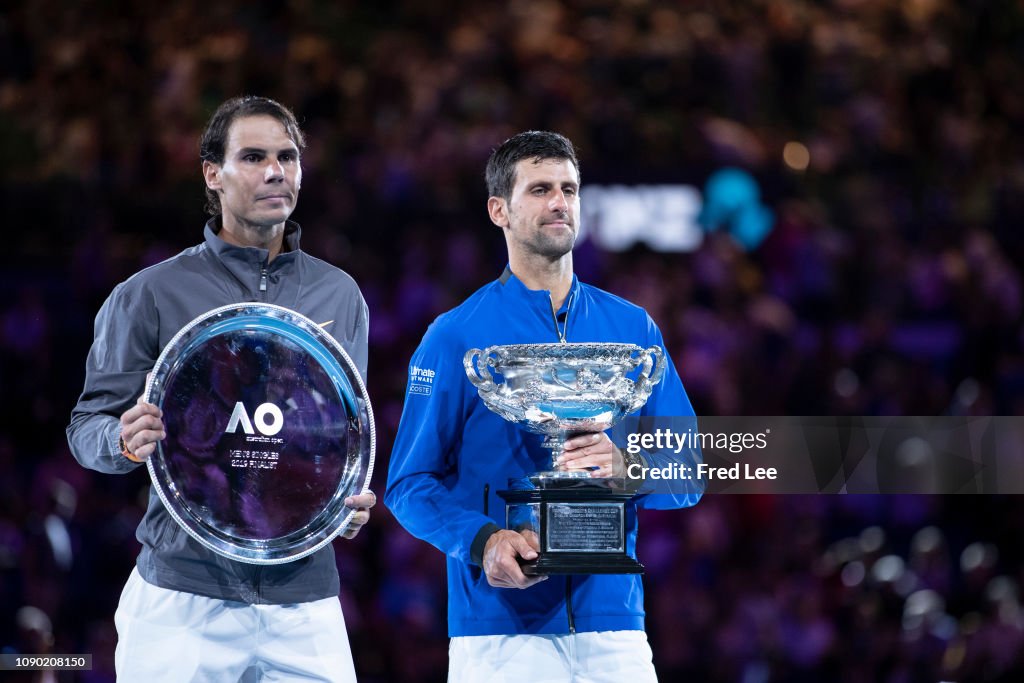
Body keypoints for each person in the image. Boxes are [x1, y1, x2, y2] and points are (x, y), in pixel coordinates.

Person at [67, 96, 375, 682]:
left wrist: (343, 503)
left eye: (287, 156)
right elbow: (87, 428)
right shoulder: (150, 294)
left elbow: (336, 440)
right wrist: (123, 440)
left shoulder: (340, 296)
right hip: (183, 595)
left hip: (303, 599)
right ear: (213, 173)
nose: (275, 171)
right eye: (254, 157)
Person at [385, 131, 702, 681]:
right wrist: (484, 542)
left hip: (615, 630)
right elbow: (408, 485)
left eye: (569, 189)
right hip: (500, 631)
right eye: (540, 189)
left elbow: (690, 470)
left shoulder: (631, 330)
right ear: (499, 210)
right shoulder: (456, 336)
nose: (560, 202)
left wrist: (631, 469)